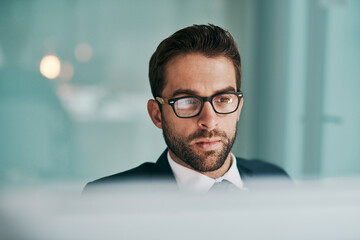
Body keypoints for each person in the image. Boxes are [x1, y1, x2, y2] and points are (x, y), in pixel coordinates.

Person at [83, 24, 289, 194]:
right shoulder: (108, 198)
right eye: (188, 101)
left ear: (238, 108)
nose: (209, 120)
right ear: (157, 114)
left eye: (223, 99)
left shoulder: (276, 181)